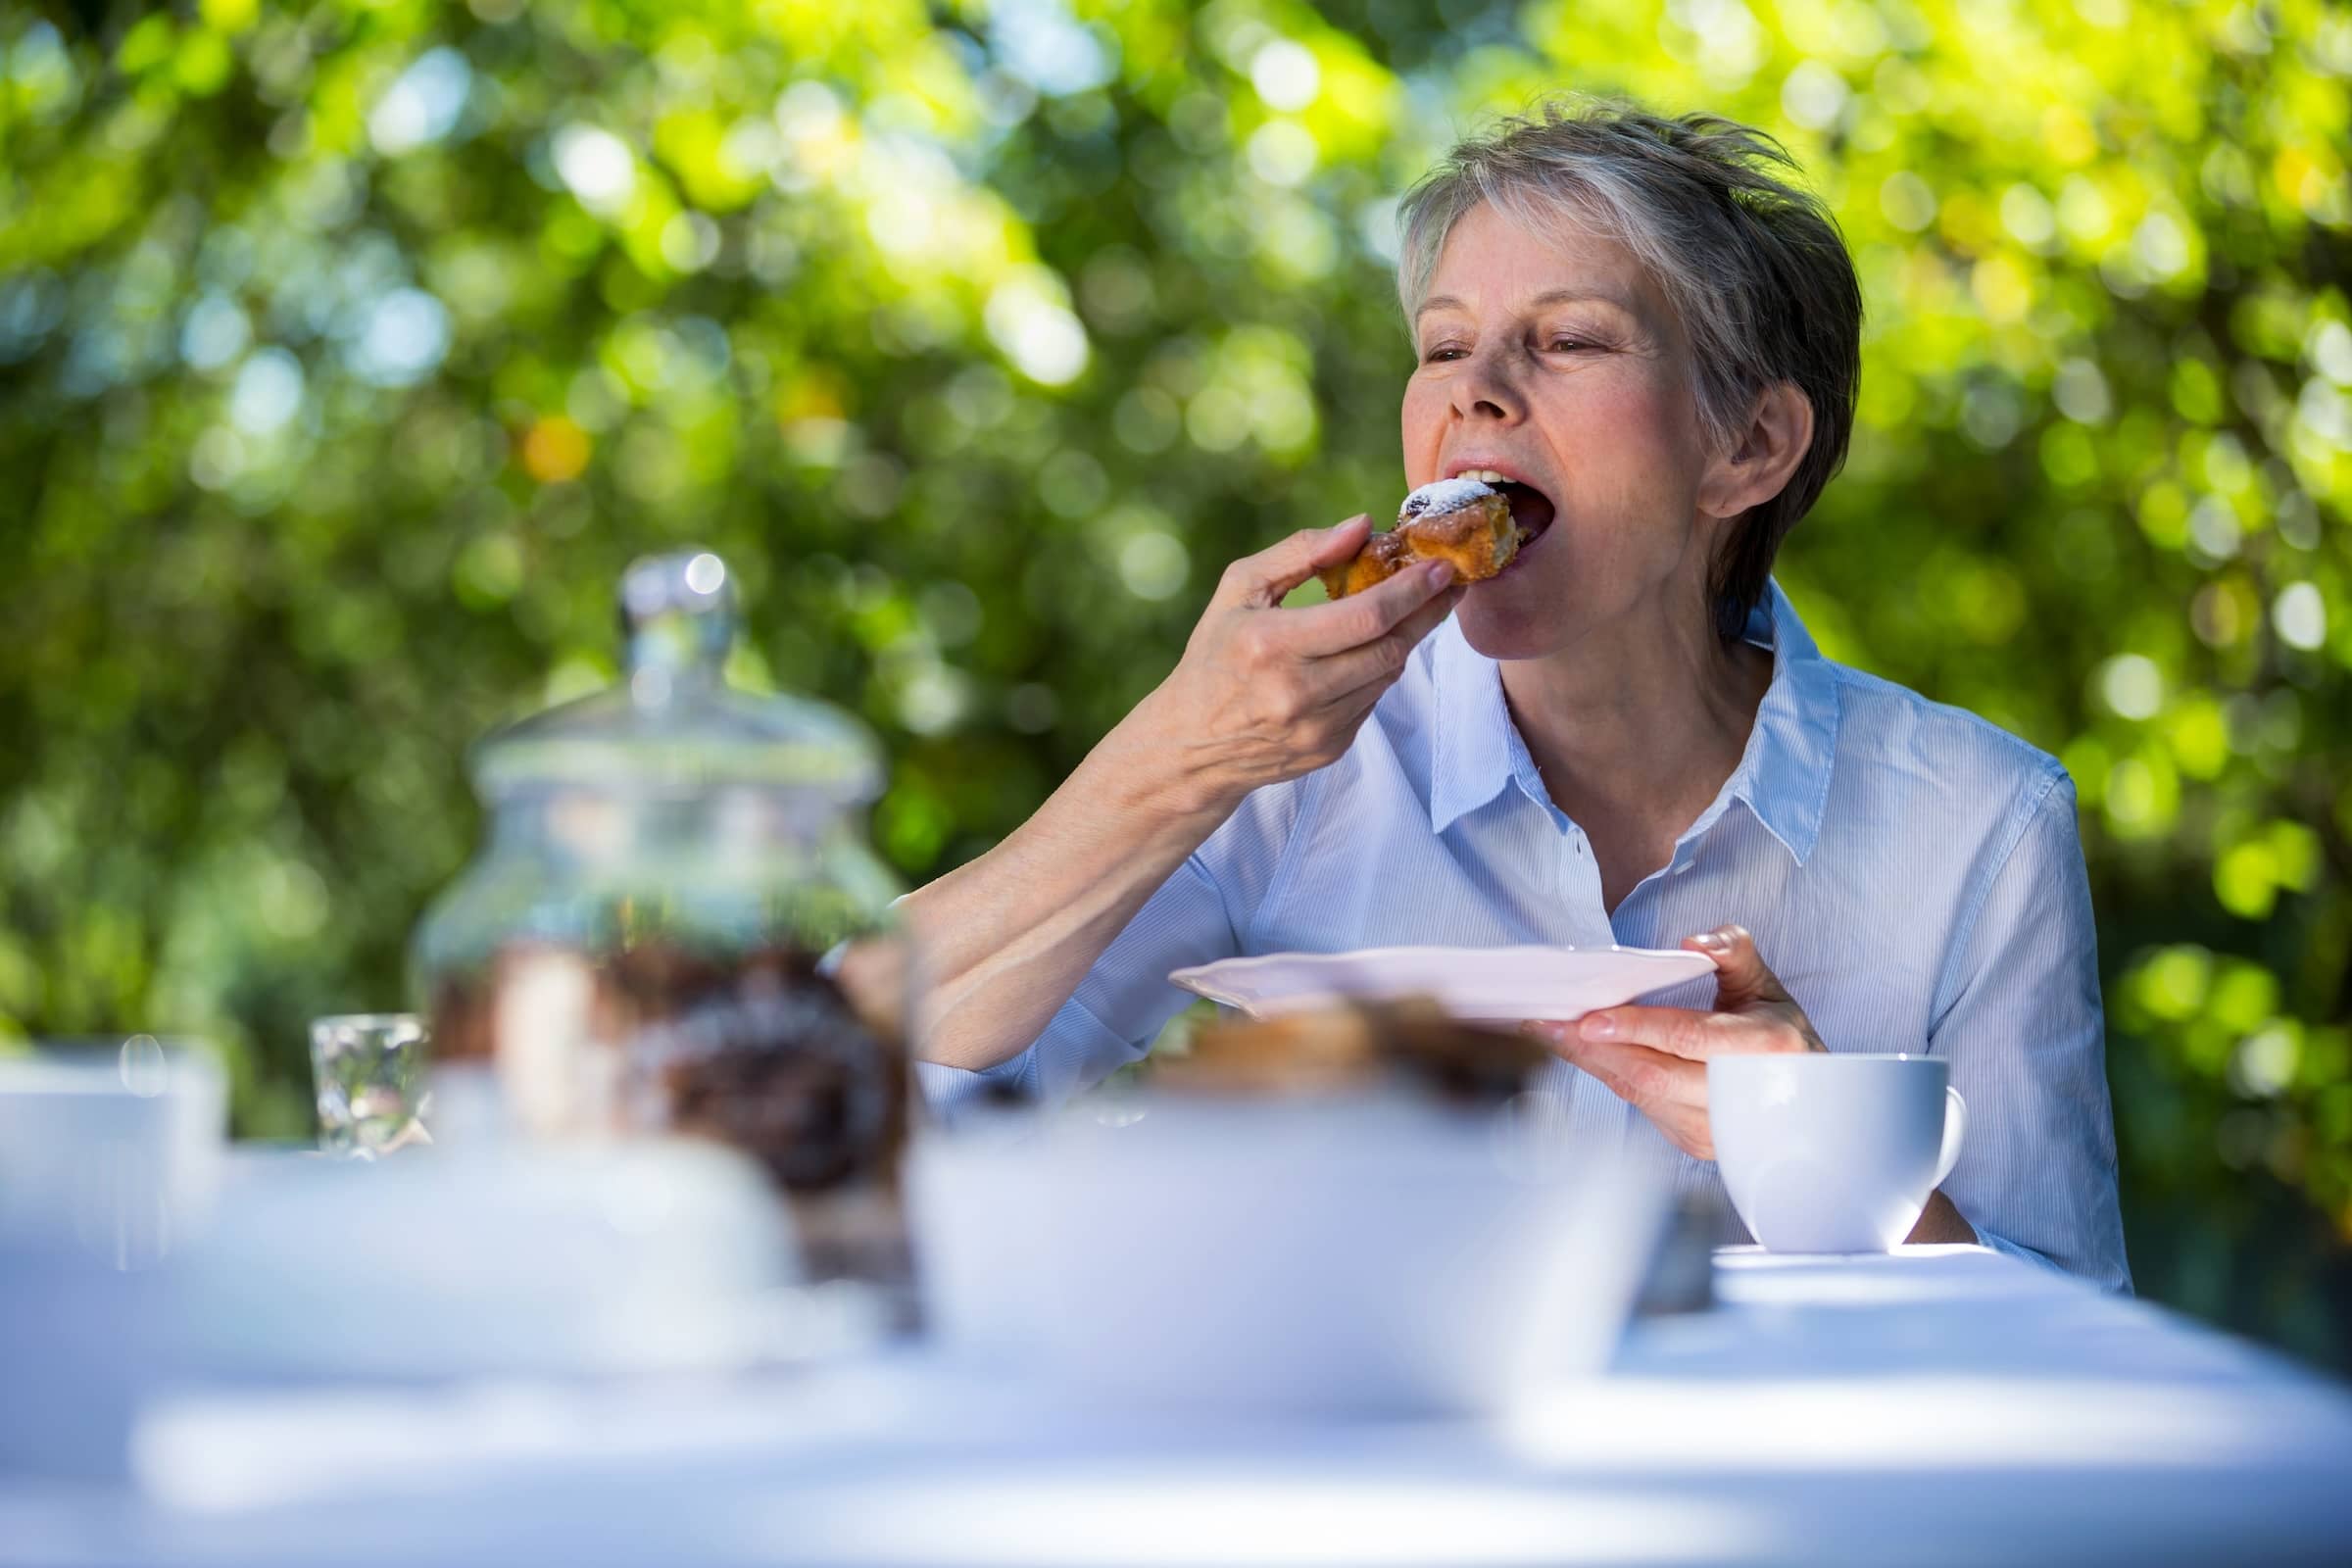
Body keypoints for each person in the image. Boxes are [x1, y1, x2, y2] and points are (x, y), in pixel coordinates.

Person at [896, 97, 2130, 1291]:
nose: (1471, 390)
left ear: (1749, 446)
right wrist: (1174, 761)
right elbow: (865, 1093)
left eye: (1571, 338)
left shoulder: (1982, 825)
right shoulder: (1293, 761)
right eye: (1442, 345)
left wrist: (1829, 1145)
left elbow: (2087, 1378)